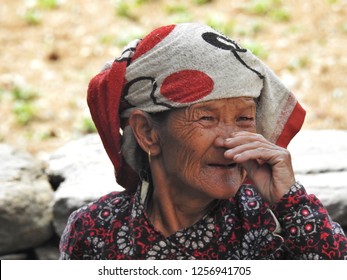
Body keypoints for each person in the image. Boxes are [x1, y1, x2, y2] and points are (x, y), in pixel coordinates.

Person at [59, 22, 347, 260]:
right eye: (206, 118)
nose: (229, 140)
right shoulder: (95, 229)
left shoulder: (273, 222)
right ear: (147, 132)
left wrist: (291, 201)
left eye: (245, 119)